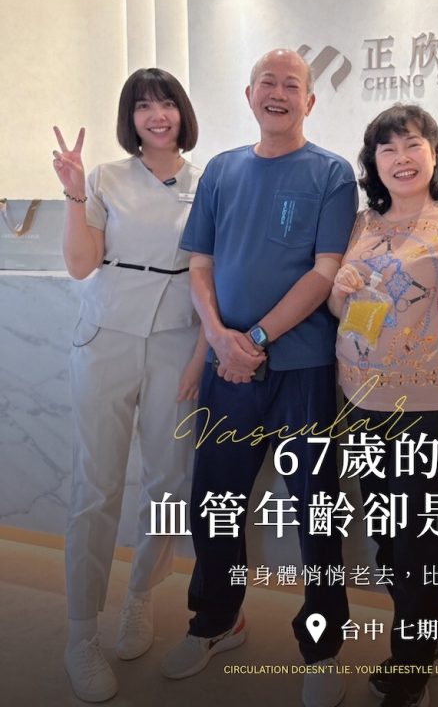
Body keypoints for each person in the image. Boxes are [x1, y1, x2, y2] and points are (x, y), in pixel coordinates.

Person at [160, 49, 357, 707]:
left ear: (310, 101)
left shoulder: (331, 173)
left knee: (316, 510)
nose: (277, 92)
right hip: (227, 368)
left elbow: (325, 272)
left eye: (290, 84)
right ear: (249, 95)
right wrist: (221, 339)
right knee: (215, 502)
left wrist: (257, 339)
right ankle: (216, 621)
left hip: (303, 369)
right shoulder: (222, 170)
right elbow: (200, 266)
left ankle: (322, 647)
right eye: (266, 83)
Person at [328, 104, 438, 707]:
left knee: (420, 543)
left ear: (433, 153)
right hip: (364, 401)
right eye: (388, 148)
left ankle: (410, 666)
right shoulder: (360, 223)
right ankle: (423, 643)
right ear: (373, 162)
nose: (401, 158)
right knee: (387, 537)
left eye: (412, 144)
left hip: (436, 406)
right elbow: (344, 311)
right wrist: (339, 290)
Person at [52, 68, 206, 702]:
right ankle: (80, 633)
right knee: (96, 485)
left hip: (176, 342)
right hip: (107, 338)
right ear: (131, 118)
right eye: (144, 106)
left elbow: (213, 275)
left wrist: (202, 354)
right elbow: (80, 264)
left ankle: (140, 595)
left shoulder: (207, 182)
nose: (157, 115)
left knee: (169, 479)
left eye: (167, 103)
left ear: (182, 113)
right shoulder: (104, 178)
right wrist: (71, 194)